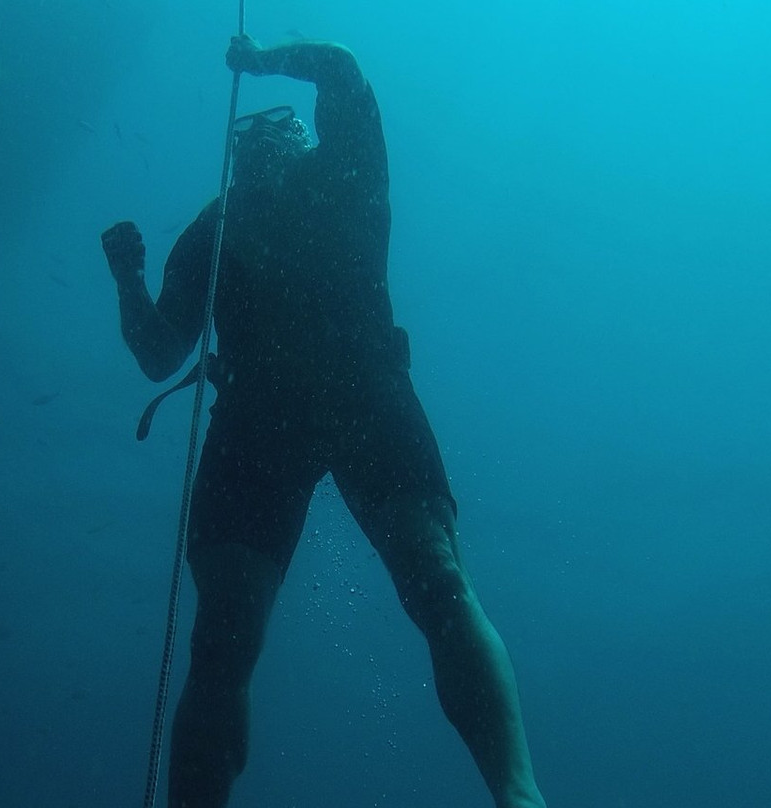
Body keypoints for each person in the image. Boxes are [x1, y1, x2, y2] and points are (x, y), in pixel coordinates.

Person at [101, 35, 549, 808]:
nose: (266, 137)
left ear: (310, 133)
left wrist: (262, 58)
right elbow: (157, 353)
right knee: (221, 643)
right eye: (252, 136)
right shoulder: (214, 226)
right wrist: (127, 281)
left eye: (284, 125)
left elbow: (340, 68)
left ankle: (518, 794)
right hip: (259, 418)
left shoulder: (347, 172)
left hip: (360, 387)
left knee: (437, 580)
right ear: (236, 161)